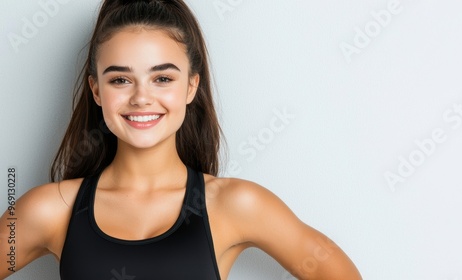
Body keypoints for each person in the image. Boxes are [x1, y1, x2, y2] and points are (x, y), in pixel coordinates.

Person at [0, 0, 362, 279]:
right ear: (96, 90)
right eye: (120, 80)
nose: (141, 98)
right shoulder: (50, 209)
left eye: (162, 79)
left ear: (191, 86)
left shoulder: (236, 205)